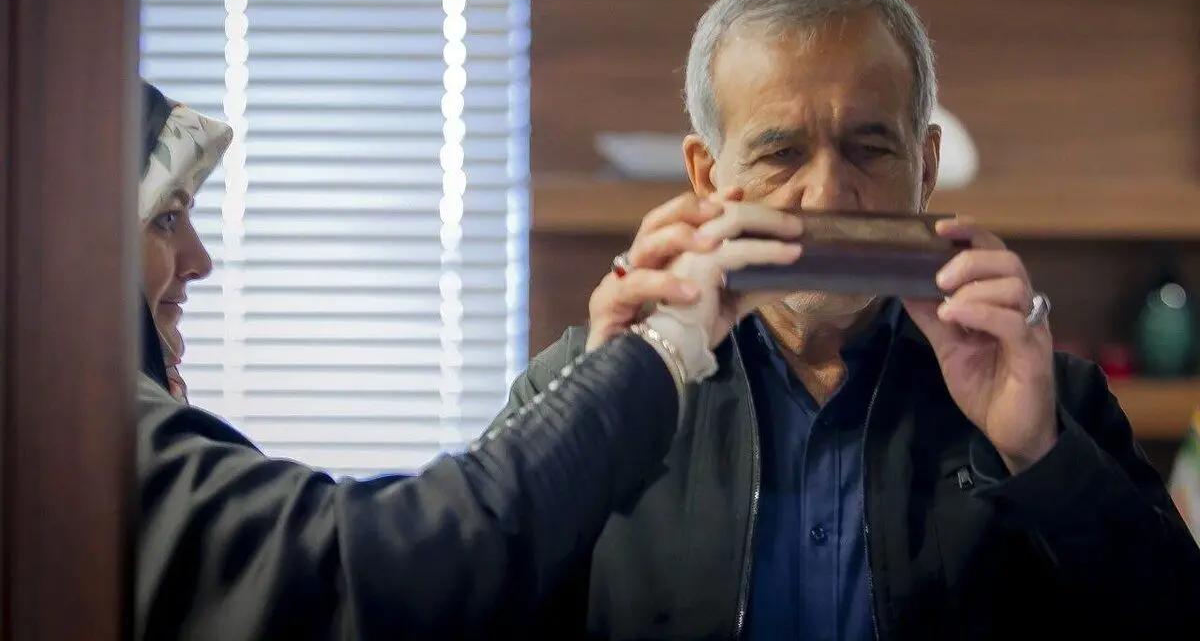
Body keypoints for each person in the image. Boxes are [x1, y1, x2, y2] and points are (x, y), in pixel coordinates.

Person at [493, 0, 1200, 639]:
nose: (828, 194)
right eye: (781, 153)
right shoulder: (588, 379)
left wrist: (1041, 457)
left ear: (925, 167)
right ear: (707, 177)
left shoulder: (1053, 399)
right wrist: (591, 431)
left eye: (870, 149)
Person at [133, 81, 804, 639]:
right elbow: (400, 569)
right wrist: (659, 350)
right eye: (165, 219)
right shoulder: (107, 439)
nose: (200, 260)